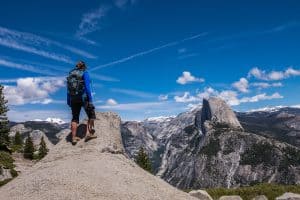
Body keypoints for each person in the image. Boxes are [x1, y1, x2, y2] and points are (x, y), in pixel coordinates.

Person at [67, 61, 97, 144]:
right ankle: (88, 134)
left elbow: (68, 89)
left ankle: (73, 138)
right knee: (91, 115)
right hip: (83, 97)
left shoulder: (71, 75)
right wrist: (90, 100)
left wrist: (68, 100)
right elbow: (87, 88)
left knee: (75, 118)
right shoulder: (85, 73)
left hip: (73, 98)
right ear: (84, 67)